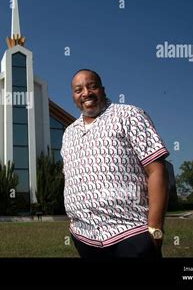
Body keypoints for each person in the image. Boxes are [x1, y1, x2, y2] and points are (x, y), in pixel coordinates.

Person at [61, 69, 169, 259]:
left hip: (131, 233)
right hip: (85, 236)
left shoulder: (129, 115)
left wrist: (154, 229)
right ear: (73, 96)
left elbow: (157, 170)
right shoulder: (69, 133)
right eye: (78, 90)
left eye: (91, 86)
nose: (86, 93)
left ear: (102, 89)